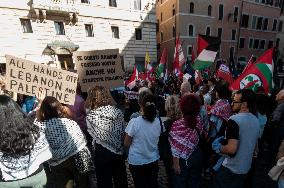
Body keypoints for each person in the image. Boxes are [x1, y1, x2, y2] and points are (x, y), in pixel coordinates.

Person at [36, 96, 92, 188]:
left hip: (58, 163)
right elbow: (81, 138)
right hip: (78, 157)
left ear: (43, 111)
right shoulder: (69, 122)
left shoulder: (41, 127)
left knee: (65, 185)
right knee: (83, 184)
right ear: (59, 108)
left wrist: (40, 103)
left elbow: (35, 128)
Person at [0, 95, 52, 187]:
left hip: (8, 182)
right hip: (36, 176)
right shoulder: (32, 128)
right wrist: (40, 102)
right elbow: (35, 116)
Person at [212, 89, 260, 188]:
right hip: (245, 168)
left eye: (234, 101)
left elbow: (231, 149)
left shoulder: (234, 120)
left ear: (244, 104)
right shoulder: (256, 120)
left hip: (230, 168)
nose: (231, 104)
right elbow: (255, 150)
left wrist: (218, 147)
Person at [85, 86, 128, 188]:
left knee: (104, 183)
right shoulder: (117, 112)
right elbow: (123, 133)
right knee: (121, 181)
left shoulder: (91, 115)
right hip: (117, 151)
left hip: (101, 153)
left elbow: (86, 106)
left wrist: (89, 95)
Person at [124, 94, 162, 188]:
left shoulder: (134, 122)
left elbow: (126, 143)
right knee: (153, 184)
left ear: (141, 105)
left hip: (137, 162)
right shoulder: (159, 121)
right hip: (153, 159)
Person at [169, 94, 205, 188]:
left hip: (182, 160)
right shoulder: (200, 121)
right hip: (197, 155)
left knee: (180, 183)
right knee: (194, 182)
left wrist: (176, 165)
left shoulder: (177, 125)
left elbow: (175, 149)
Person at [162, 95, 182, 188]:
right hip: (181, 154)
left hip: (169, 154)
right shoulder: (183, 121)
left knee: (171, 177)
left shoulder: (165, 124)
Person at [270, 89, 284, 163]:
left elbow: (275, 119)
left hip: (279, 129)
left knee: (275, 146)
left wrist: (271, 123)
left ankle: (272, 162)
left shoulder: (281, 106)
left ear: (282, 97)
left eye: (278, 94)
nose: (276, 95)